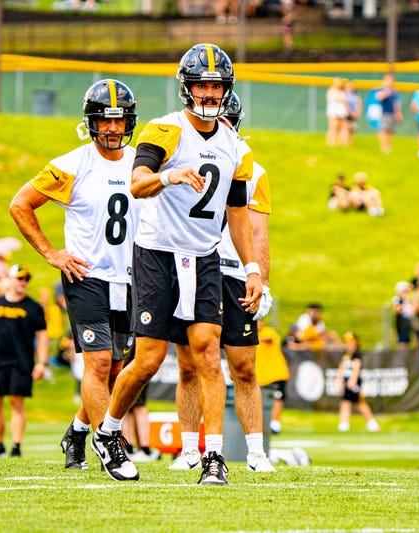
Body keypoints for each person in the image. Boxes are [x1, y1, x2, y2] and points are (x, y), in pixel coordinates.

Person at [91, 44, 262, 485]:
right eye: (202, 84)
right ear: (187, 88)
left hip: (204, 256)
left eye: (216, 85)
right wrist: (169, 175)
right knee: (149, 359)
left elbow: (238, 212)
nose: (209, 92)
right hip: (157, 252)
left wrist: (252, 269)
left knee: (207, 352)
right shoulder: (164, 130)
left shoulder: (234, 147)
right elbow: (136, 184)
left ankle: (214, 458)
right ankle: (108, 431)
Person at [8, 78, 140, 471]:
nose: (113, 128)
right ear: (91, 122)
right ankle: (109, 444)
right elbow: (20, 204)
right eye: (105, 120)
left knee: (116, 370)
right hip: (86, 275)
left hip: (130, 277)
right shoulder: (72, 164)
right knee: (98, 364)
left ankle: (78, 433)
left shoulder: (141, 161)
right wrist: (51, 253)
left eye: (120, 121)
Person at [170, 92, 275, 474]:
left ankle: (256, 452)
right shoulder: (182, 151)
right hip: (194, 264)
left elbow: (259, 232)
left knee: (244, 366)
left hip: (234, 272)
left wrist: (260, 279)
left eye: (229, 120)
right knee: (190, 365)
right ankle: (188, 450)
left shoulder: (252, 169)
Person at [0, 265, 48, 458]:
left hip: (21, 362)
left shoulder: (33, 307)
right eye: (20, 278)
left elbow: (42, 336)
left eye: (26, 279)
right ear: (11, 280)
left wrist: (42, 362)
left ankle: (16, 446)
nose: (23, 282)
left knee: (16, 401)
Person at [336, 332, 380, 433]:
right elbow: (342, 367)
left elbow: (356, 367)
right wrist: (339, 380)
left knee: (359, 403)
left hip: (353, 382)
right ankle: (344, 423)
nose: (348, 343)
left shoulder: (356, 353)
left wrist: (353, 380)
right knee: (345, 402)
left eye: (350, 341)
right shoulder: (345, 354)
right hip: (346, 381)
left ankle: (372, 422)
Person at [255, 320, 289, 435]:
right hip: (261, 376)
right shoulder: (251, 336)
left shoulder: (268, 332)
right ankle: (262, 424)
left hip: (275, 373)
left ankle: (275, 424)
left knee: (277, 398)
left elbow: (269, 339)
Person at [375, 72, 402, 153]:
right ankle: (384, 148)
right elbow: (379, 97)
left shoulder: (394, 92)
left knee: (391, 131)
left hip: (392, 114)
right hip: (385, 113)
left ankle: (388, 147)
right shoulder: (382, 89)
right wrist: (386, 91)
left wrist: (398, 112)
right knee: (384, 131)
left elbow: (396, 103)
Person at [326, 77, 349, 147]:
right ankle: (331, 142)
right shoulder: (331, 90)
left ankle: (338, 142)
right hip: (334, 111)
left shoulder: (343, 91)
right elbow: (334, 98)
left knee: (340, 127)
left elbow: (345, 101)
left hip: (341, 112)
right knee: (333, 127)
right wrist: (341, 100)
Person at [344, 79, 361, 146]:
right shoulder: (344, 94)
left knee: (352, 129)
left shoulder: (356, 96)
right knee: (345, 129)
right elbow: (345, 104)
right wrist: (350, 112)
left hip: (354, 114)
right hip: (347, 114)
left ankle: (350, 144)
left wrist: (357, 113)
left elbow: (359, 104)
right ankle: (344, 144)